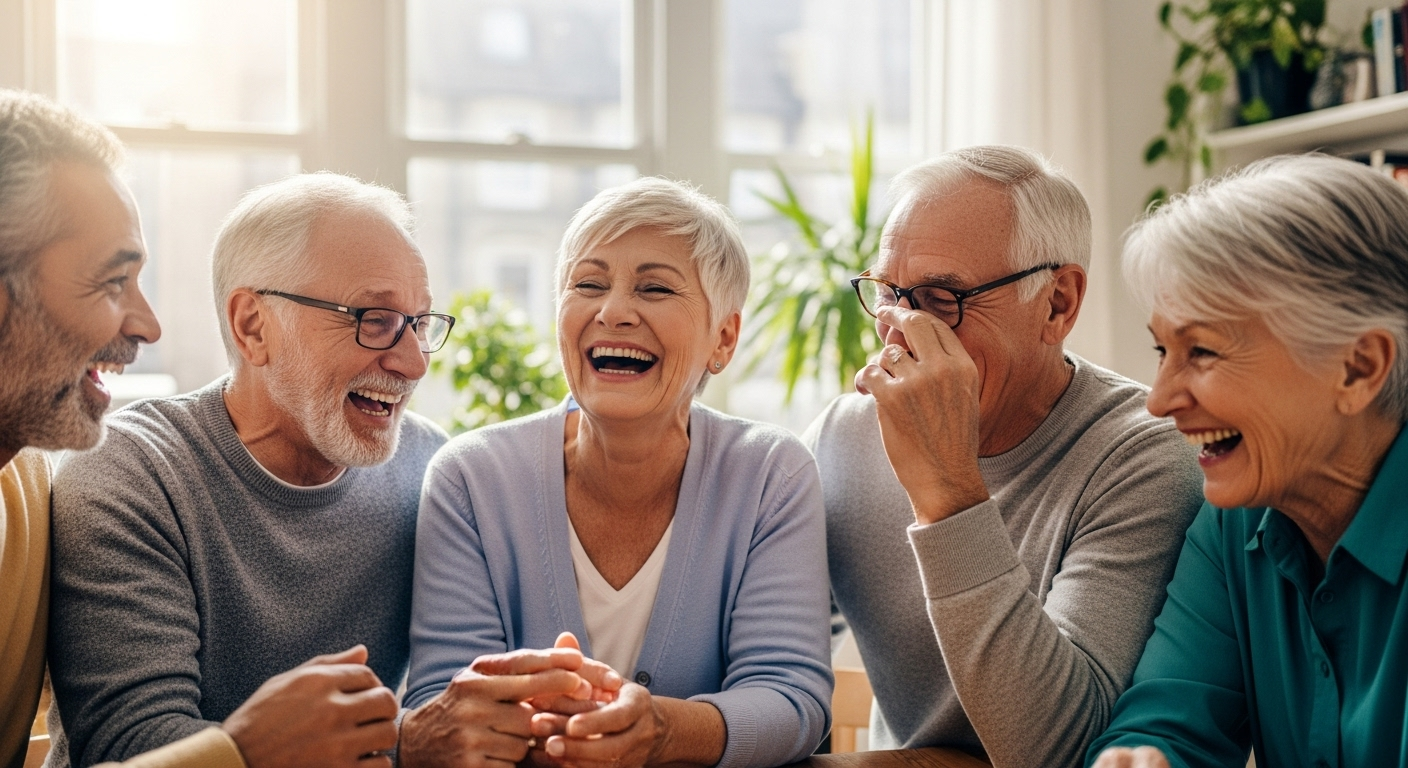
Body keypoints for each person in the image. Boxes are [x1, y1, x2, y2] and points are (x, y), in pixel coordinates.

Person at [400, 177, 833, 768]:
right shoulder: (470, 479)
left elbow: (791, 699)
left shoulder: (771, 475)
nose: (613, 311)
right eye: (588, 283)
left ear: (723, 338)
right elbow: (446, 708)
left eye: (654, 287)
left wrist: (663, 730)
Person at [804, 145, 1205, 768]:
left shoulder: (1143, 456)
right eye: (889, 292)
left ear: (1057, 304)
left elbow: (1058, 749)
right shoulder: (842, 434)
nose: (901, 330)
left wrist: (946, 490)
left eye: (942, 298)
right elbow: (765, 670)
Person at [44, 171, 454, 767]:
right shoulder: (134, 473)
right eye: (374, 318)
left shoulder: (432, 470)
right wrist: (406, 745)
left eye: (419, 322)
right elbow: (127, 746)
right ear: (253, 326)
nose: (414, 362)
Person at [1088, 155, 1408, 768]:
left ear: (1358, 368)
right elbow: (1167, 725)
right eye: (1162, 349)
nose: (1158, 400)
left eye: (1202, 350)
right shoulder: (1237, 516)